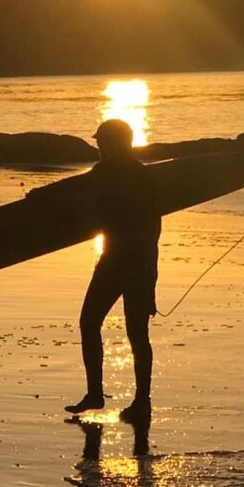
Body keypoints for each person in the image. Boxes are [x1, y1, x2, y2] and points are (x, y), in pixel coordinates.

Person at [64, 118, 161, 421]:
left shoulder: (105, 173)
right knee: (138, 334)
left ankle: (98, 394)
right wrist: (151, 277)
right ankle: (141, 403)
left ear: (117, 143)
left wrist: (40, 199)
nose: (99, 148)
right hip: (141, 262)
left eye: (103, 142)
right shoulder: (144, 176)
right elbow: (154, 228)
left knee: (90, 322)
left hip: (117, 261)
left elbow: (75, 196)